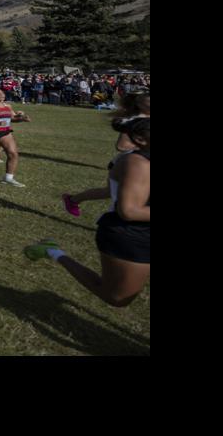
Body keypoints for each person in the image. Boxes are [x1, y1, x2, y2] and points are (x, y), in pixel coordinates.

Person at [25, 117, 148, 309]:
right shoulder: (137, 163)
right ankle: (52, 251)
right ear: (140, 139)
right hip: (132, 235)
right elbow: (129, 211)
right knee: (117, 297)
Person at [62, 93, 148, 216]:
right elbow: (121, 146)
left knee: (109, 192)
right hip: (128, 164)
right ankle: (73, 200)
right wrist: (144, 144)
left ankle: (72, 200)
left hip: (142, 163)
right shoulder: (135, 121)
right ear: (141, 104)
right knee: (117, 196)